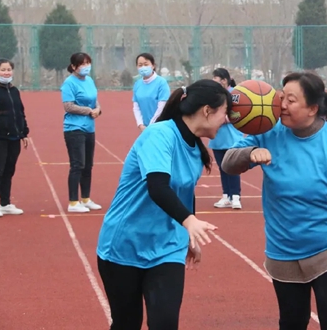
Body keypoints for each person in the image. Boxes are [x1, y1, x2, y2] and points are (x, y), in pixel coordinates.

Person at [221, 71, 327, 330]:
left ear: (312, 108)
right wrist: (250, 153)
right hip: (283, 248)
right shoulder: (267, 131)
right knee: (292, 322)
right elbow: (228, 164)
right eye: (281, 97)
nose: (282, 105)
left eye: (291, 100)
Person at [96, 79, 232, 330]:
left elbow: (184, 192)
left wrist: (188, 235)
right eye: (225, 113)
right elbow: (158, 187)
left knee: (165, 323)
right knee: (127, 323)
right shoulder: (159, 135)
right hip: (125, 244)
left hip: (166, 247)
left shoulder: (196, 147)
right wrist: (189, 221)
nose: (227, 120)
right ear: (206, 111)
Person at [61, 52, 102, 213]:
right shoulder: (69, 83)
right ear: (73, 66)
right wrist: (88, 111)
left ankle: (85, 198)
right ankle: (73, 202)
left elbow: (94, 99)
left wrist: (98, 109)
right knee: (77, 164)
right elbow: (68, 106)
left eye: (88, 63)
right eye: (82, 64)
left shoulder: (90, 80)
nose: (86, 67)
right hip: (74, 128)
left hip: (89, 128)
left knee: (88, 166)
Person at [0, 59, 29, 217]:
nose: (6, 72)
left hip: (14, 137)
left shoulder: (14, 90)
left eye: (9, 69)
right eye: (3, 70)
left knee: (9, 170)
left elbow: (20, 112)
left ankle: (5, 203)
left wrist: (24, 133)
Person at [209, 68, 244, 209]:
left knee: (233, 167)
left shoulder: (236, 94)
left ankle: (236, 196)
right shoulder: (214, 95)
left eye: (216, 80)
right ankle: (226, 196)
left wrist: (223, 119)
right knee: (222, 168)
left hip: (232, 137)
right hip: (217, 138)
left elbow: (239, 114)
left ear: (224, 80)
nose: (214, 83)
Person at [132, 53, 171, 132]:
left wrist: (151, 125)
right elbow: (136, 107)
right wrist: (140, 125)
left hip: (160, 126)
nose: (143, 67)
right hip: (145, 128)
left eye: (146, 64)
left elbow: (162, 107)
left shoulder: (161, 83)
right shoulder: (137, 84)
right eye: (140, 65)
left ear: (153, 65)